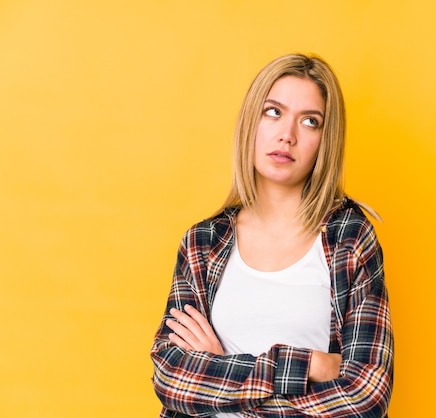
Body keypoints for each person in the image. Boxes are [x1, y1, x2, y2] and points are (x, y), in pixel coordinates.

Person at [150, 53, 394, 417]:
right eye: (274, 112)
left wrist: (223, 365)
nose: (287, 135)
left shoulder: (350, 239)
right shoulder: (204, 242)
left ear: (325, 140)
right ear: (252, 121)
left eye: (310, 121)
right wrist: (308, 365)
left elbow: (366, 396)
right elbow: (172, 377)